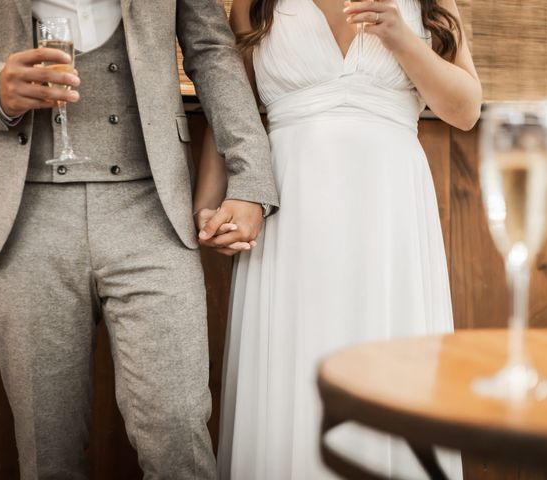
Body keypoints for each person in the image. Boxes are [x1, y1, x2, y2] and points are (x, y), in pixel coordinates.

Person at [0, 1, 278, 478]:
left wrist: (250, 179)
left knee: (179, 434)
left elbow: (212, 50)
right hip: (23, 216)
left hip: (152, 210)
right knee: (47, 453)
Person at [194, 0, 481, 478]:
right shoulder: (254, 3)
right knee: (294, 373)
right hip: (290, 213)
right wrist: (208, 206)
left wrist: (401, 38)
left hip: (390, 217)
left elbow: (466, 110)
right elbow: (230, 110)